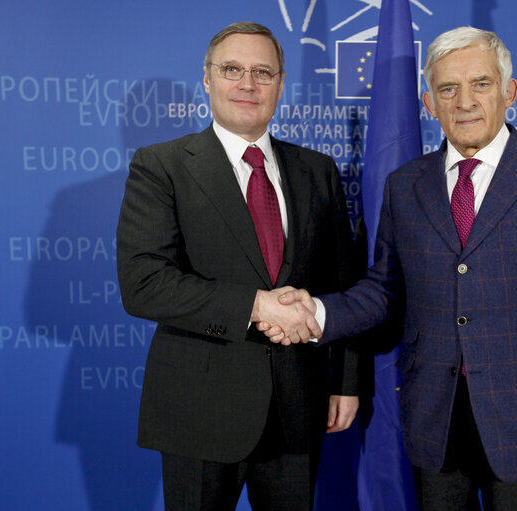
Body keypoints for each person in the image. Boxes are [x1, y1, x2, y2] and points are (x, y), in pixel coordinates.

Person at [259, 26, 517, 510]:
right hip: (432, 424)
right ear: (429, 103)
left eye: (481, 84)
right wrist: (317, 314)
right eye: (448, 89)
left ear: (509, 92)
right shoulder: (405, 184)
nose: (465, 102)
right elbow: (384, 290)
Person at [116, 21, 361, 511]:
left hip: (298, 406)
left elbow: (345, 284)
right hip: (199, 410)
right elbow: (144, 285)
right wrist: (255, 305)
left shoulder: (318, 170)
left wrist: (345, 383)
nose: (247, 84)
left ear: (280, 83)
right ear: (207, 79)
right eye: (232, 70)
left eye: (262, 72)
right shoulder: (161, 165)